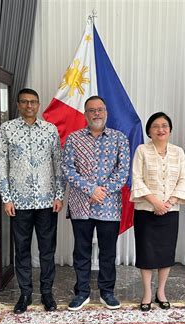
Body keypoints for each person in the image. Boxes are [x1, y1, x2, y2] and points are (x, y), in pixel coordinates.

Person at [0, 88, 65, 314]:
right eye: (25, 102)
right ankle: (25, 293)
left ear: (38, 104)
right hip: (19, 202)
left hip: (47, 202)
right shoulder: (7, 129)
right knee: (22, 250)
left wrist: (58, 194)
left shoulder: (50, 130)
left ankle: (47, 293)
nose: (29, 106)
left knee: (47, 250)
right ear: (18, 104)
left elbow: (58, 165)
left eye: (33, 102)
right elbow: (2, 166)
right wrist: (6, 198)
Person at [62, 95, 130, 311]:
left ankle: (107, 292)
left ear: (106, 113)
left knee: (107, 251)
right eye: (92, 110)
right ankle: (82, 292)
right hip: (80, 204)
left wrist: (103, 192)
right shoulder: (73, 139)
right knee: (81, 251)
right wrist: (90, 189)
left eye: (100, 109)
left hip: (109, 207)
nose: (96, 114)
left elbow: (123, 172)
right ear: (85, 114)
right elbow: (67, 169)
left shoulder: (120, 139)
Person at [130, 112, 185, 312]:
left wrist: (170, 202)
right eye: (156, 126)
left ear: (170, 130)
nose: (161, 129)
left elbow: (184, 178)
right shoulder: (142, 150)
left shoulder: (178, 152)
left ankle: (161, 291)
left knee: (166, 252)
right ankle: (147, 293)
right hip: (146, 210)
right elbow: (137, 179)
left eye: (164, 125)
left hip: (170, 211)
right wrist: (155, 202)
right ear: (149, 131)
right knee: (147, 253)